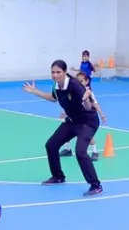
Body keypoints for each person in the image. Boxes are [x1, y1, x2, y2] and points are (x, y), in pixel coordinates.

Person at [23, 60, 105, 195]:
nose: (55, 75)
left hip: (87, 122)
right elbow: (53, 98)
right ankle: (58, 177)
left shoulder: (74, 85)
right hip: (73, 121)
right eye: (53, 72)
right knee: (51, 145)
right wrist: (35, 92)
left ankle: (96, 185)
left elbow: (89, 107)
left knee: (80, 152)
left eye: (58, 72)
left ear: (65, 72)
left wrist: (85, 99)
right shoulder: (57, 85)